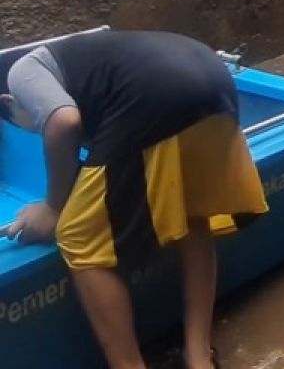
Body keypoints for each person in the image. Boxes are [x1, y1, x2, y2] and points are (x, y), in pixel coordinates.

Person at [1, 30, 268, 369]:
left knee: (78, 237)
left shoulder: (21, 72)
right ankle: (199, 356)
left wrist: (53, 207)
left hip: (155, 98)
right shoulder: (77, 61)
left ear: (8, 102)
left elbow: (62, 122)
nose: (34, 129)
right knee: (191, 211)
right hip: (214, 83)